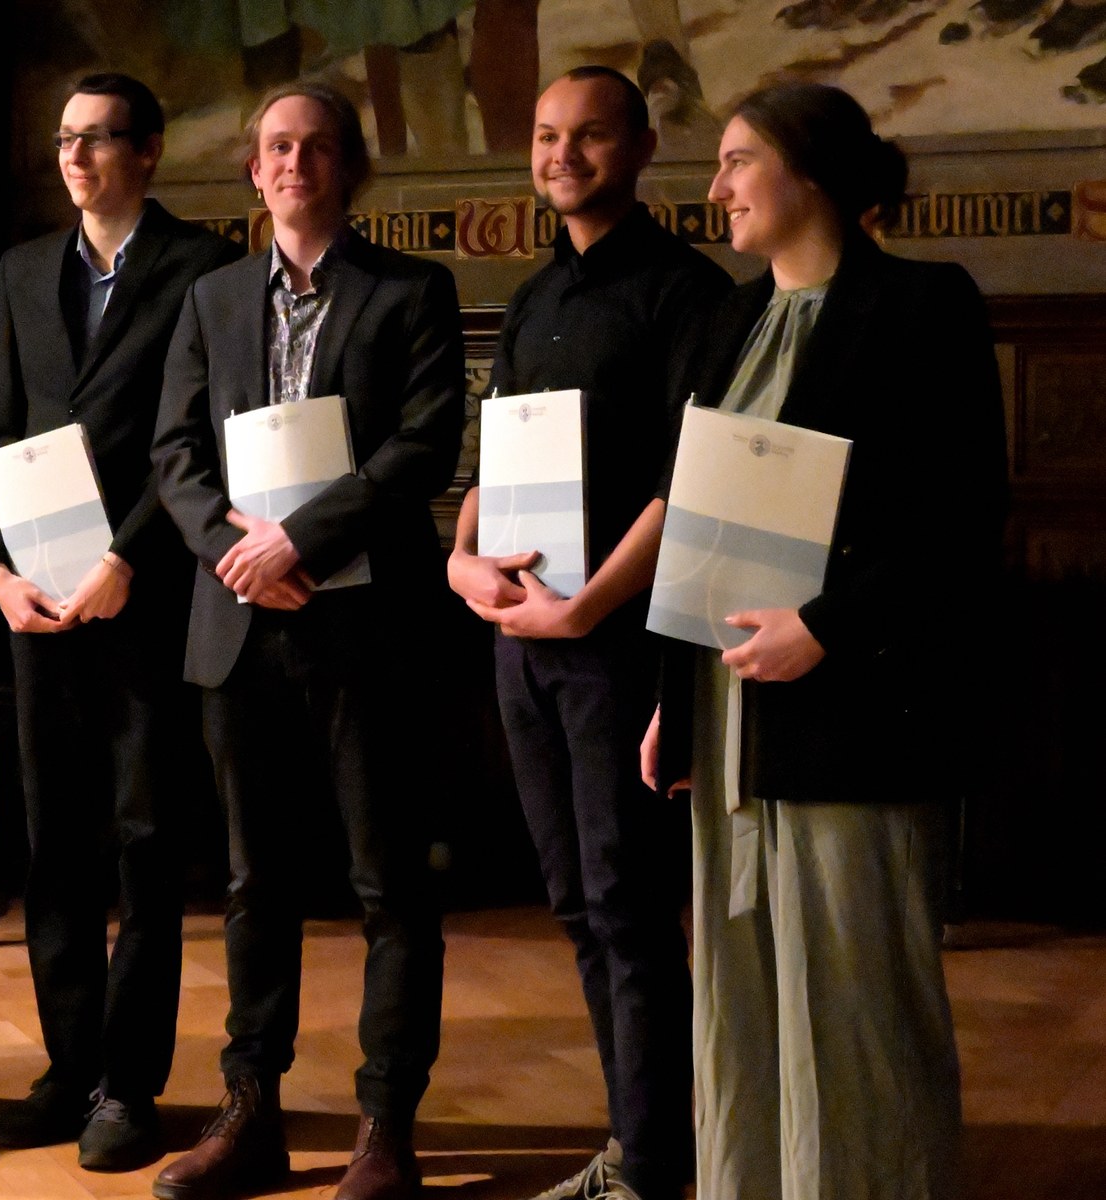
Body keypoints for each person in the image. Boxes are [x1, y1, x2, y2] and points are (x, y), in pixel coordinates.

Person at [642, 81, 1004, 1200]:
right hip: (730, 708)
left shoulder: (924, 306)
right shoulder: (725, 320)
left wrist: (828, 630)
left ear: (812, 173)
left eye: (738, 159)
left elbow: (960, 521)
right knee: (741, 984)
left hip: (855, 704)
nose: (717, 186)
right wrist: (674, 699)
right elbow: (696, 523)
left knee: (856, 995)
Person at [152, 82, 465, 1200]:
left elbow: (424, 444)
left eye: (317, 147)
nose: (294, 164)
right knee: (254, 882)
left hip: (367, 628)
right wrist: (238, 550)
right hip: (240, 626)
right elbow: (175, 454)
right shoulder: (212, 297)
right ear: (255, 171)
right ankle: (252, 1112)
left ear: (350, 169)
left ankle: (386, 1128)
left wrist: (302, 541)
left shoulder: (412, 291)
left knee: (389, 886)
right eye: (277, 148)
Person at [447, 68, 729, 1200]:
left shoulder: (687, 293)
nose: (563, 154)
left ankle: (657, 1165)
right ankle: (637, 1148)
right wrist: (460, 557)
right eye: (546, 134)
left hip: (617, 644)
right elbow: (495, 451)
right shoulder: (531, 295)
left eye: (590, 135)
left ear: (643, 146)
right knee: (572, 902)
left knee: (629, 908)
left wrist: (589, 606)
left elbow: (688, 484)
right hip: (524, 642)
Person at [0, 71, 241, 1172]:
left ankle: (128, 1085)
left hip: (145, 599)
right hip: (37, 605)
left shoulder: (204, 268)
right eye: (65, 139)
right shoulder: (22, 269)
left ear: (150, 150)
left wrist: (131, 556)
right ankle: (66, 1068)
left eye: (98, 138)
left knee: (143, 846)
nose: (75, 157)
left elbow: (200, 442)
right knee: (53, 845)